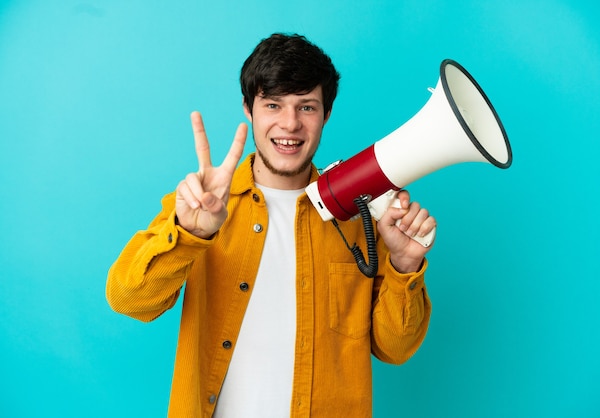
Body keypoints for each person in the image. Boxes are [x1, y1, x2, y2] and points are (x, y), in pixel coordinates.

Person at [106, 33, 436, 418]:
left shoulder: (358, 220)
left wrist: (403, 265)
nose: (290, 123)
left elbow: (395, 349)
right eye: (273, 105)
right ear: (249, 109)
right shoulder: (200, 207)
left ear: (326, 114)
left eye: (306, 107)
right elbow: (129, 300)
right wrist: (191, 233)